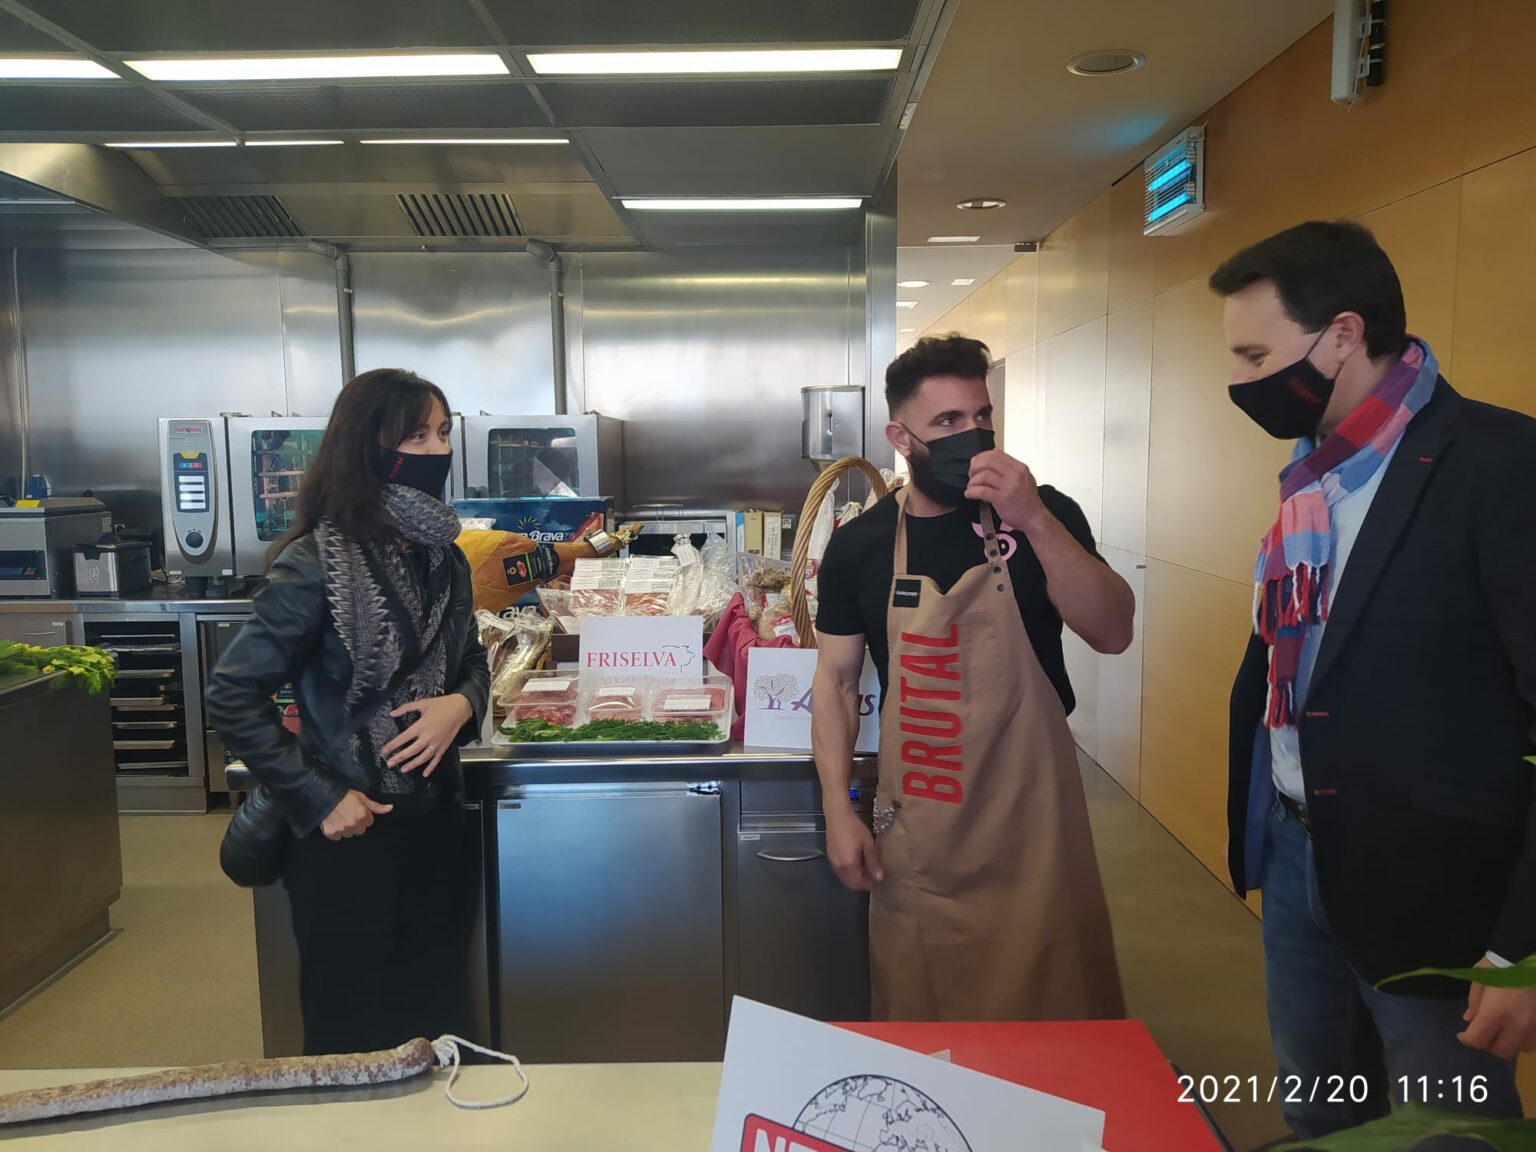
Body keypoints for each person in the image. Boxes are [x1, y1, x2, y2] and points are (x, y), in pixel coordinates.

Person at [1215, 221, 1536, 1137]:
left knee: (1446, 1131)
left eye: (1254, 355)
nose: (1238, 381)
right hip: (1296, 855)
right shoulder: (1308, 481)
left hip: (1437, 886)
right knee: (1320, 1109)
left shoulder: (1500, 465)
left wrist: (1521, 948)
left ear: (1343, 336)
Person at [811, 333, 1134, 1022]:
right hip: (923, 830)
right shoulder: (862, 544)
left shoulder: (1048, 512)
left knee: (1052, 1014)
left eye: (982, 416)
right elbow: (835, 683)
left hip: (1034, 824)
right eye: (948, 421)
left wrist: (1034, 519)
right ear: (901, 437)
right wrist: (838, 810)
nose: (973, 434)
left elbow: (1112, 631)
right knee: (928, 1020)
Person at [206, 368, 490, 1056]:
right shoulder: (313, 564)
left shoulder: (445, 559)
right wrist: (320, 797)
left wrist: (460, 704)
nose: (438, 449)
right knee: (351, 1036)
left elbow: (473, 660)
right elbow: (232, 693)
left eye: (443, 433)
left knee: (444, 1024)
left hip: (437, 826)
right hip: (346, 837)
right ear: (369, 446)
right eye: (417, 436)